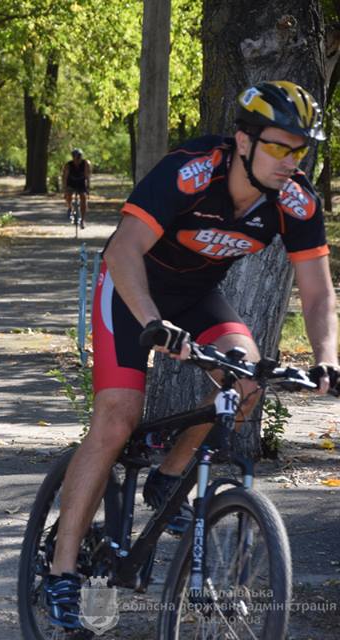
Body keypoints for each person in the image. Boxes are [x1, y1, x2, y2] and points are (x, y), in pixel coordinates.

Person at [44, 80, 340, 630]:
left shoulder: (295, 200)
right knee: (116, 421)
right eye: (278, 145)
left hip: (198, 295)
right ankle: (62, 572)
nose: (290, 161)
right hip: (131, 287)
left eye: (300, 149)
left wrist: (327, 358)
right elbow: (124, 248)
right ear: (243, 140)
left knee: (246, 380)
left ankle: (168, 478)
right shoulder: (193, 171)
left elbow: (319, 292)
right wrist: (154, 323)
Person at [62, 148, 91, 229]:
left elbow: (87, 176)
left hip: (81, 182)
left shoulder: (86, 163)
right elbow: (65, 177)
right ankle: (70, 208)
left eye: (79, 157)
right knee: (68, 195)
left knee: (83, 198)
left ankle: (82, 220)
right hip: (71, 182)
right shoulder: (68, 165)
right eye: (75, 157)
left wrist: (88, 187)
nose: (77, 159)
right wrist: (64, 190)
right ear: (73, 157)